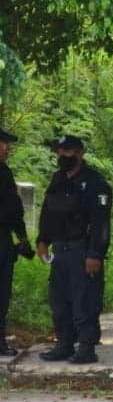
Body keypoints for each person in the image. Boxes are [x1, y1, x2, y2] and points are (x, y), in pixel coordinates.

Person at [36, 136, 112, 364]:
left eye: (67, 151)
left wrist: (95, 253)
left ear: (80, 153)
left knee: (85, 299)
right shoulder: (58, 179)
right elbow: (48, 211)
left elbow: (101, 223)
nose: (62, 156)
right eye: (59, 151)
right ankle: (64, 344)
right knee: (59, 300)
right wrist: (43, 240)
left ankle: (87, 347)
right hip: (60, 248)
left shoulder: (95, 183)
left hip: (82, 249)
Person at [0, 127, 31, 357]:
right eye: (4, 143)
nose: (7, 148)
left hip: (3, 239)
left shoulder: (4, 172)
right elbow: (12, 209)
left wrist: (21, 236)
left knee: (2, 294)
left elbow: (14, 208)